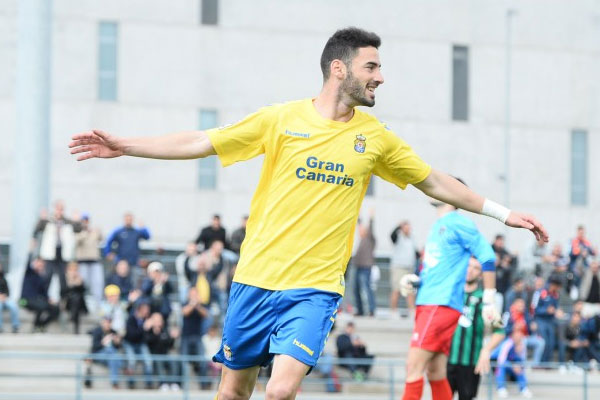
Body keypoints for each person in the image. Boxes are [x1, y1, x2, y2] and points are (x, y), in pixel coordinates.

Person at [70, 27, 548, 400]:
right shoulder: (280, 120)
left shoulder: (375, 138)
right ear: (339, 69)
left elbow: (435, 181)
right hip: (255, 279)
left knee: (279, 389)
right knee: (234, 389)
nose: (380, 76)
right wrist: (126, 146)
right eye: (372, 66)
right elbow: (202, 141)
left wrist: (504, 214)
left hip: (315, 289)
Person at [399, 183, 503, 400]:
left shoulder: (459, 223)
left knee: (413, 367)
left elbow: (487, 256)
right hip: (433, 302)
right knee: (435, 372)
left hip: (439, 305)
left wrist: (489, 300)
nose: (432, 187)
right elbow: (438, 270)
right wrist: (416, 281)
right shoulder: (439, 225)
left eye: (441, 184)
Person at [447, 257, 505, 400]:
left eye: (476, 268)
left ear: (481, 274)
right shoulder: (450, 294)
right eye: (468, 266)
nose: (470, 270)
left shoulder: (485, 301)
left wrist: (486, 350)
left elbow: (499, 331)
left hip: (470, 364)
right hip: (446, 360)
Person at [32, 201, 81, 298]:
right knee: (47, 278)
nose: (59, 212)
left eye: (61, 209)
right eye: (58, 209)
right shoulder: (48, 221)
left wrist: (77, 221)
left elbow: (78, 229)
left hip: (63, 254)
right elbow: (37, 230)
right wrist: (41, 219)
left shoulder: (68, 222)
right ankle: (43, 299)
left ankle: (63, 301)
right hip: (49, 255)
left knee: (63, 279)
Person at [492, 324, 533, 398]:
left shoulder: (522, 345)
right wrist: (512, 365)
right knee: (501, 366)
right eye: (516, 334)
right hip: (496, 362)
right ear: (513, 336)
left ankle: (523, 388)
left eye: (520, 335)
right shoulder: (507, 343)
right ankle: (501, 388)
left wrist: (519, 355)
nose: (518, 336)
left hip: (513, 365)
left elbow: (523, 361)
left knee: (520, 369)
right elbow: (501, 360)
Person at [20, 256, 59, 332]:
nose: (40, 266)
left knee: (56, 309)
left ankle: (41, 325)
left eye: (42, 265)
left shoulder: (41, 278)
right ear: (35, 263)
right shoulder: (29, 272)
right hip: (24, 300)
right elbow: (27, 263)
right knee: (40, 306)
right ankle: (35, 326)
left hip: (36, 301)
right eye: (39, 264)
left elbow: (44, 293)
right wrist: (31, 251)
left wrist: (49, 300)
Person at [85, 315, 123, 389]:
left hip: (110, 357)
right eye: (106, 322)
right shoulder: (97, 331)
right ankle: (122, 365)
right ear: (103, 323)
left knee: (113, 357)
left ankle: (114, 382)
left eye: (109, 322)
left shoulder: (113, 332)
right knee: (111, 350)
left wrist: (117, 343)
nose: (108, 324)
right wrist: (103, 342)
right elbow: (95, 347)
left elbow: (118, 346)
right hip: (98, 354)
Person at [75, 213, 104, 310]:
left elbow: (101, 239)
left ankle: (98, 305)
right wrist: (85, 232)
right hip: (82, 262)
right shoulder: (78, 231)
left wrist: (97, 231)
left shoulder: (93, 231)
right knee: (83, 284)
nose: (85, 223)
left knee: (97, 283)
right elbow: (76, 241)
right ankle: (82, 306)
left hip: (94, 261)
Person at [389, 220, 418, 316]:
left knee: (410, 290)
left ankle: (412, 311)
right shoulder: (398, 237)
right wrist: (398, 226)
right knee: (396, 289)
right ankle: (393, 311)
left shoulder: (412, 239)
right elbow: (392, 235)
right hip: (398, 267)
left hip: (409, 267)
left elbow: (415, 252)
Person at [532, 275, 564, 363]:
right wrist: (546, 310)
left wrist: (558, 311)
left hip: (550, 321)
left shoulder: (555, 294)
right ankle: (541, 363)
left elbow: (555, 307)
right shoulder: (540, 293)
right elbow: (533, 309)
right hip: (540, 320)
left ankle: (547, 363)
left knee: (551, 342)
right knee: (544, 341)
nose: (558, 288)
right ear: (553, 285)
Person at [123, 301, 154, 389]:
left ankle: (149, 383)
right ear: (139, 310)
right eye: (145, 310)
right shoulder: (131, 319)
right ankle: (131, 383)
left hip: (141, 344)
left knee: (148, 361)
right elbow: (132, 335)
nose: (147, 312)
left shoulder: (147, 319)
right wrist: (143, 328)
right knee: (132, 361)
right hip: (129, 343)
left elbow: (148, 338)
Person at [353, 209, 376, 317]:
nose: (360, 231)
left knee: (366, 288)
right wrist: (358, 216)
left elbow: (370, 228)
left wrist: (371, 218)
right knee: (356, 289)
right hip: (358, 266)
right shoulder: (361, 240)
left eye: (362, 230)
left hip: (366, 267)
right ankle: (360, 310)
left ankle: (371, 310)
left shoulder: (369, 239)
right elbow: (359, 224)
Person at [62, 261, 88, 334]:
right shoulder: (64, 278)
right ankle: (74, 322)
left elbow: (83, 291)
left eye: (75, 269)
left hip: (79, 303)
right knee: (75, 299)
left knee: (77, 298)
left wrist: (78, 283)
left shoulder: (80, 279)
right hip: (68, 302)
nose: (73, 271)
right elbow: (63, 292)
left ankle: (73, 317)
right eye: (71, 269)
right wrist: (71, 282)